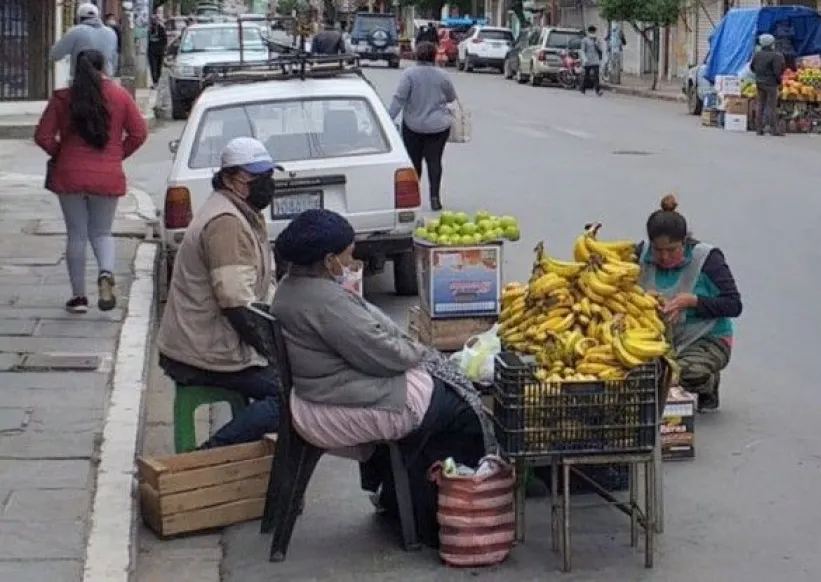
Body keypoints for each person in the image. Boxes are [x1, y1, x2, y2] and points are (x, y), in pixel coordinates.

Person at [269, 208, 493, 547]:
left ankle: (399, 501)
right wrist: (416, 352)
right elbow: (384, 355)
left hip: (328, 388)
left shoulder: (292, 287)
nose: (353, 259)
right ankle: (437, 520)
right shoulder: (325, 302)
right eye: (348, 254)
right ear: (330, 261)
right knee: (458, 408)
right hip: (338, 397)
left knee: (445, 394)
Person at [157, 137, 282, 449]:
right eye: (257, 178)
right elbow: (238, 304)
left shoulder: (242, 213)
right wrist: (274, 351)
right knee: (293, 395)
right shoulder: (226, 222)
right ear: (229, 179)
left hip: (211, 346)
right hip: (201, 354)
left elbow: (259, 290)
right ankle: (212, 455)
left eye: (269, 175)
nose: (267, 184)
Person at [34, 50, 148, 313]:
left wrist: (61, 154)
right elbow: (139, 133)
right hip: (107, 176)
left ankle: (78, 298)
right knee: (102, 232)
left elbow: (43, 135)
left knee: (76, 235)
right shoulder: (120, 96)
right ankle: (106, 273)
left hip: (70, 174)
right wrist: (117, 154)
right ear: (104, 66)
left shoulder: (64, 98)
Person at [638, 195, 742, 411]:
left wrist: (694, 301)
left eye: (672, 249)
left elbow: (733, 304)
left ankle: (707, 385)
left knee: (677, 374)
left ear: (684, 242)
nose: (664, 257)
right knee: (640, 376)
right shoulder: (638, 257)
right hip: (658, 340)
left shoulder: (707, 259)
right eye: (658, 250)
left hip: (706, 338)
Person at [388, 41, 457, 212]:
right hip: (438, 127)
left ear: (416, 55)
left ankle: (414, 197)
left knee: (414, 162)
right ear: (434, 56)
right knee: (434, 161)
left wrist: (388, 119)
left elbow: (399, 99)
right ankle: (435, 198)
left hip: (413, 126)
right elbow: (451, 97)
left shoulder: (409, 74)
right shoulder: (443, 75)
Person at [50, 3, 119, 79]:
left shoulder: (75, 31)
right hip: (105, 82)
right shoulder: (111, 33)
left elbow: (54, 55)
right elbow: (114, 60)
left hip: (81, 83)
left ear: (79, 18)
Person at [750, 33, 786, 136]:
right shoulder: (776, 55)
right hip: (771, 84)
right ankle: (774, 130)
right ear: (772, 44)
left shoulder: (757, 54)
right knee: (771, 106)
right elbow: (778, 71)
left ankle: (758, 129)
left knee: (760, 105)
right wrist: (779, 82)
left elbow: (752, 68)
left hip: (759, 82)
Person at [579, 25, 603, 96]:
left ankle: (598, 90)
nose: (593, 32)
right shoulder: (585, 40)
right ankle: (582, 88)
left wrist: (596, 44)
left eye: (594, 31)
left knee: (596, 76)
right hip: (587, 61)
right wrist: (584, 59)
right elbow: (582, 50)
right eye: (592, 31)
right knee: (586, 76)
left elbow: (600, 50)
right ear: (589, 32)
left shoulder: (597, 40)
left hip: (595, 60)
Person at [147, 14, 168, 87]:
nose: (154, 22)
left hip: (160, 51)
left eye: (155, 20)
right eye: (153, 20)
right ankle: (155, 81)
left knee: (159, 67)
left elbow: (165, 40)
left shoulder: (161, 28)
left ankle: (158, 80)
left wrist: (164, 48)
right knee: (153, 67)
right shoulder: (149, 29)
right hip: (152, 51)